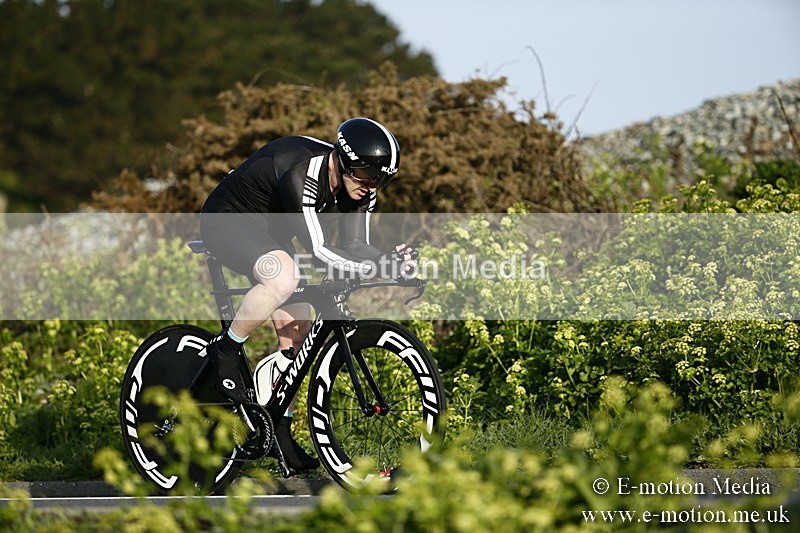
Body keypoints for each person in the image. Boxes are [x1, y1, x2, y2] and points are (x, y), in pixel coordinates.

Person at [199, 117, 413, 472]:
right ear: (343, 160)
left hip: (270, 231)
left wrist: (394, 265)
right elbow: (319, 252)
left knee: (298, 335)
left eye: (379, 179)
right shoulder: (303, 173)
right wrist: (378, 268)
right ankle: (226, 347)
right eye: (364, 174)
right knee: (284, 277)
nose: (370, 185)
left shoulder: (362, 188)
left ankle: (277, 428)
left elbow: (357, 246)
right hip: (229, 219)